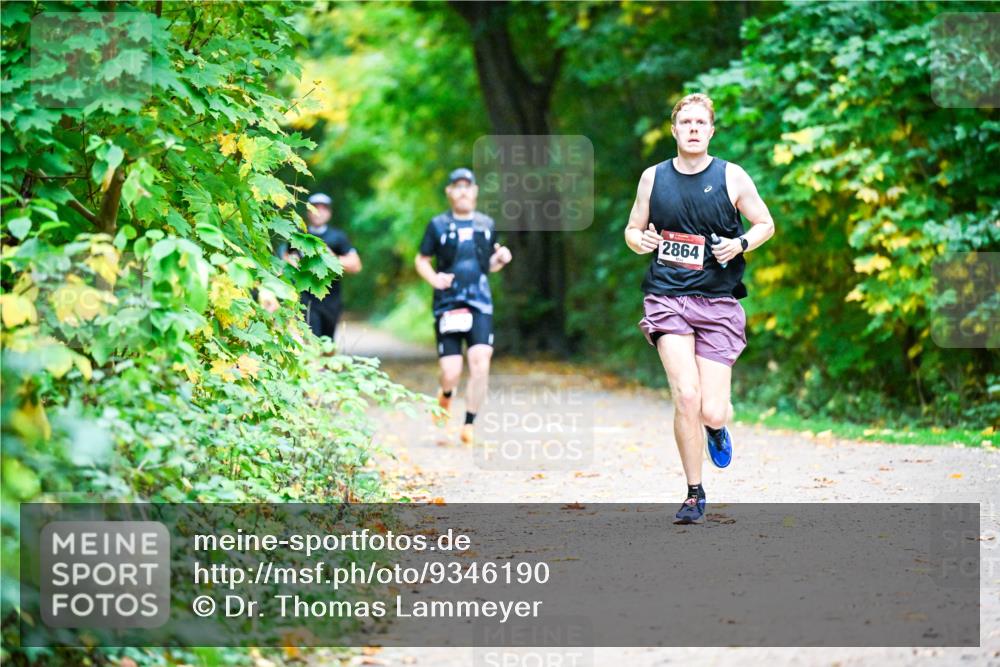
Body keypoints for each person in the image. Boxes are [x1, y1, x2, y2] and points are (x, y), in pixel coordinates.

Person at [624, 93, 775, 525]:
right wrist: (642, 241)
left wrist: (741, 243)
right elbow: (633, 230)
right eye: (684, 122)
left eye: (700, 122)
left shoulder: (732, 177)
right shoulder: (653, 179)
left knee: (712, 409)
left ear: (711, 131)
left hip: (718, 303)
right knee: (685, 396)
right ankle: (693, 492)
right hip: (667, 297)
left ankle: (715, 428)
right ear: (674, 130)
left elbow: (765, 223)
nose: (692, 128)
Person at [415, 168, 513, 444]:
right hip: (448, 303)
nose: (462, 191)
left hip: (480, 302)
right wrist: (435, 279)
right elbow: (421, 259)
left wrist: (502, 258)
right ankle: (445, 396)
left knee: (481, 362)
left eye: (467, 186)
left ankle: (469, 424)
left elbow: (488, 266)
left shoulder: (486, 225)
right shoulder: (437, 225)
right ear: (449, 192)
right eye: (457, 186)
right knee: (451, 371)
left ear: (475, 191)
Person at [282, 192, 362, 341]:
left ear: (329, 213)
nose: (319, 212)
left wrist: (331, 259)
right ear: (308, 212)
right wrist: (295, 264)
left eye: (323, 208)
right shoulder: (298, 236)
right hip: (305, 297)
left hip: (331, 299)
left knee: (327, 342)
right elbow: (286, 258)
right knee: (312, 339)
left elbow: (356, 265)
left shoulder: (338, 237)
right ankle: (315, 363)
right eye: (315, 208)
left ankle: (325, 364)